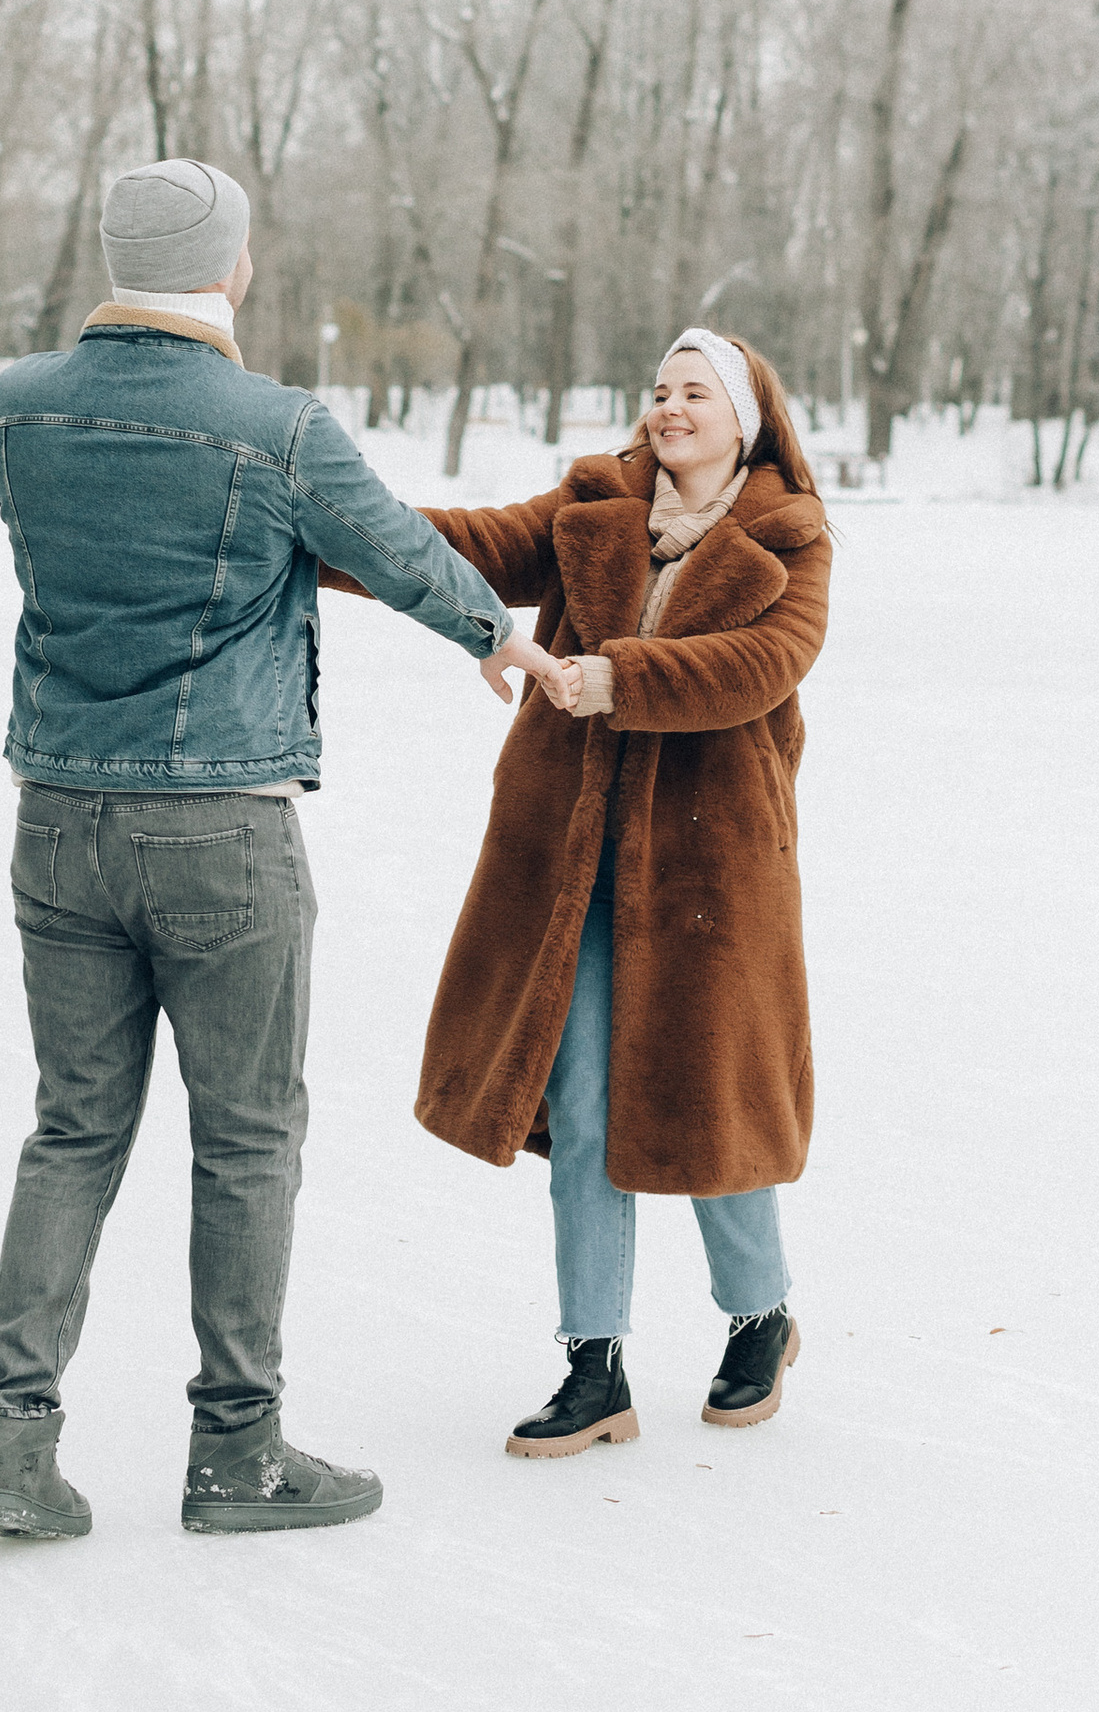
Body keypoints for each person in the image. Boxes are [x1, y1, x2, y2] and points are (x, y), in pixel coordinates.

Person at [0, 155, 574, 1547]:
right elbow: (397, 548)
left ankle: (11, 1437)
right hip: (221, 827)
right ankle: (236, 1450)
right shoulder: (275, 426)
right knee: (244, 1137)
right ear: (231, 268)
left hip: (55, 815)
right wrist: (503, 632)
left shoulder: (16, 409)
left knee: (73, 1126)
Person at [340, 327, 831, 1456]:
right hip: (569, 856)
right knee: (586, 1099)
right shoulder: (593, 503)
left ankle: (759, 1315)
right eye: (658, 389)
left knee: (707, 1092)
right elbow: (464, 543)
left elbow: (761, 665)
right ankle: (592, 1365)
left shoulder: (788, 538)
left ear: (745, 418)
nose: (667, 408)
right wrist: (322, 531)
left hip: (712, 868)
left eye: (693, 392)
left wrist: (612, 677)